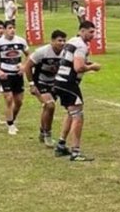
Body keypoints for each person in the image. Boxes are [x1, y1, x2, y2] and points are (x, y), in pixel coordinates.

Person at [53, 20, 101, 161]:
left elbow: (70, 61)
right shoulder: (81, 45)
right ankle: (76, 151)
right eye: (91, 32)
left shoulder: (72, 41)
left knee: (70, 112)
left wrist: (87, 64)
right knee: (78, 115)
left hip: (60, 80)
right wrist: (93, 67)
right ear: (82, 31)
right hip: (68, 83)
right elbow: (78, 67)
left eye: (94, 31)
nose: (93, 35)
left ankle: (61, 145)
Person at [22, 29, 66, 147]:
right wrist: (31, 84)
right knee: (50, 105)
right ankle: (48, 135)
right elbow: (27, 66)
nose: (62, 43)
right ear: (52, 41)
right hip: (41, 82)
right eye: (59, 40)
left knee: (48, 108)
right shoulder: (42, 52)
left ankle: (42, 131)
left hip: (55, 83)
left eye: (63, 41)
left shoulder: (65, 53)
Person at [0, 20, 29, 136]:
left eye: (14, 28)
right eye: (10, 28)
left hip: (18, 74)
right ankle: (10, 125)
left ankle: (11, 119)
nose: (12, 30)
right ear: (5, 30)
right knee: (9, 99)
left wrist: (24, 67)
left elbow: (29, 55)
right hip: (6, 74)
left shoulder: (21, 41)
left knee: (19, 101)